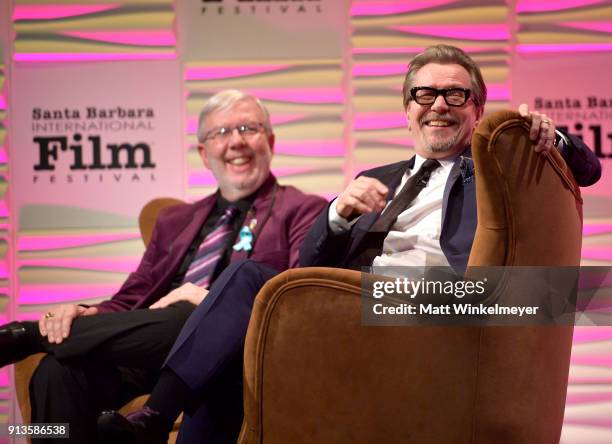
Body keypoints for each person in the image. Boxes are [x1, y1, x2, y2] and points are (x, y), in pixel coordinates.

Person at [97, 44, 601, 444]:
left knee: (253, 289)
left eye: (456, 95)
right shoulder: (374, 179)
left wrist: (552, 138)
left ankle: (155, 412)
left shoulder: (495, 169)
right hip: (355, 304)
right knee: (240, 333)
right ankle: (156, 417)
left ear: (478, 108)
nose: (439, 105)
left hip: (441, 306)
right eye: (424, 95)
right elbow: (307, 265)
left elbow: (588, 170)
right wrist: (336, 213)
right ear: (407, 111)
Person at [0, 90, 327, 443]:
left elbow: (294, 300)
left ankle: (29, 336)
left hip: (223, 354)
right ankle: (40, 341)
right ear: (204, 153)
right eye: (221, 133)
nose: (236, 142)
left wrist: (203, 300)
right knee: (56, 371)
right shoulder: (175, 220)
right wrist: (87, 313)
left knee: (187, 313)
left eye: (249, 128)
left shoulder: (304, 210)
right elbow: (133, 297)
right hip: (147, 349)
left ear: (270, 141)